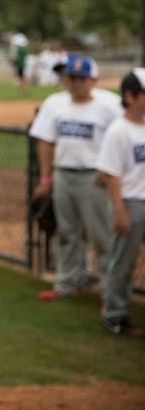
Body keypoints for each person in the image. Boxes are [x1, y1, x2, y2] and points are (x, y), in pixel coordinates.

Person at [28, 55, 122, 301]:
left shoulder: (110, 105)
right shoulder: (56, 103)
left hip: (95, 178)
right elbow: (46, 141)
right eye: (72, 78)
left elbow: (122, 139)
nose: (76, 83)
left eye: (82, 78)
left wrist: (111, 171)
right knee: (66, 234)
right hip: (64, 176)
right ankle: (65, 284)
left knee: (101, 236)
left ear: (94, 80)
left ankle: (109, 292)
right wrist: (46, 179)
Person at [96, 68, 145, 337]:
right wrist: (119, 210)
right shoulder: (119, 131)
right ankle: (114, 317)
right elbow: (110, 175)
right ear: (130, 96)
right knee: (123, 264)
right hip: (131, 203)